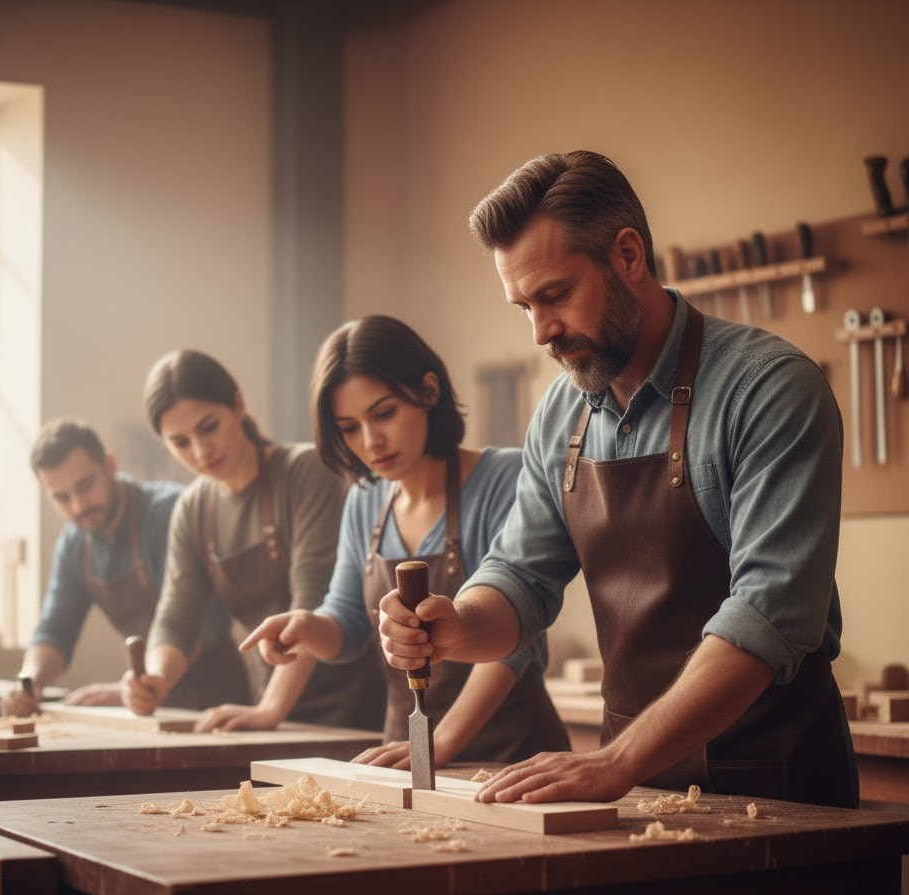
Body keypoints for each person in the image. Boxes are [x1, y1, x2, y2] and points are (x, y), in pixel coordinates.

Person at [377, 151, 858, 809]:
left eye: (555, 295)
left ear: (628, 256)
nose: (542, 331)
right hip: (633, 793)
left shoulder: (770, 389)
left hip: (775, 784)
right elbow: (520, 577)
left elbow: (771, 613)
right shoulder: (561, 410)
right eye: (523, 305)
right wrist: (456, 625)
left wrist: (616, 762)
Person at [241, 316, 569, 767]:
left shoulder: (504, 479)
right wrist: (306, 627)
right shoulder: (364, 500)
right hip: (407, 748)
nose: (371, 441)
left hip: (512, 758)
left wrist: (440, 743)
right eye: (349, 427)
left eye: (384, 413)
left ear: (430, 392)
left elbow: (517, 639)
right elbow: (350, 625)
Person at [121, 349, 386, 732]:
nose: (200, 451)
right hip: (274, 707)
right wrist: (156, 680)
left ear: (238, 404)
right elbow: (177, 618)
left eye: (208, 427)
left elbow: (311, 601)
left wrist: (271, 708)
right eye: (180, 442)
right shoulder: (193, 509)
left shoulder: (306, 471)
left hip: (352, 707)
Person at [1, 418, 250, 716]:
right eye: (61, 497)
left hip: (215, 698)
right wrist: (28, 683)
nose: (78, 506)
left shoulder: (170, 512)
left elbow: (195, 622)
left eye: (85, 486)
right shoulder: (73, 545)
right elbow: (55, 631)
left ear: (109, 465)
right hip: (147, 703)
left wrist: (131, 690)